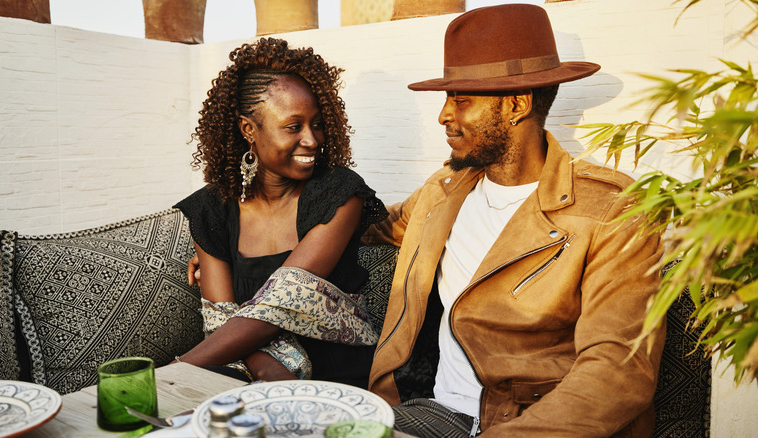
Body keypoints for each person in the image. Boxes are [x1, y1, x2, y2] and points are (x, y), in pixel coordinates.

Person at [361, 5, 666, 437]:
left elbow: (618, 371)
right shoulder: (443, 191)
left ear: (517, 105)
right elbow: (370, 226)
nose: (444, 115)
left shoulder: (612, 213)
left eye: (461, 100)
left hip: (529, 426)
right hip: (432, 412)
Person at [173, 37, 387, 388]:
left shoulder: (339, 193)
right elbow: (220, 319)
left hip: (338, 375)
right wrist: (266, 369)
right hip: (248, 370)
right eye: (293, 126)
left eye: (317, 124)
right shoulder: (211, 209)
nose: (313, 140)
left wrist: (173, 372)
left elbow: (283, 301)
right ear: (248, 130)